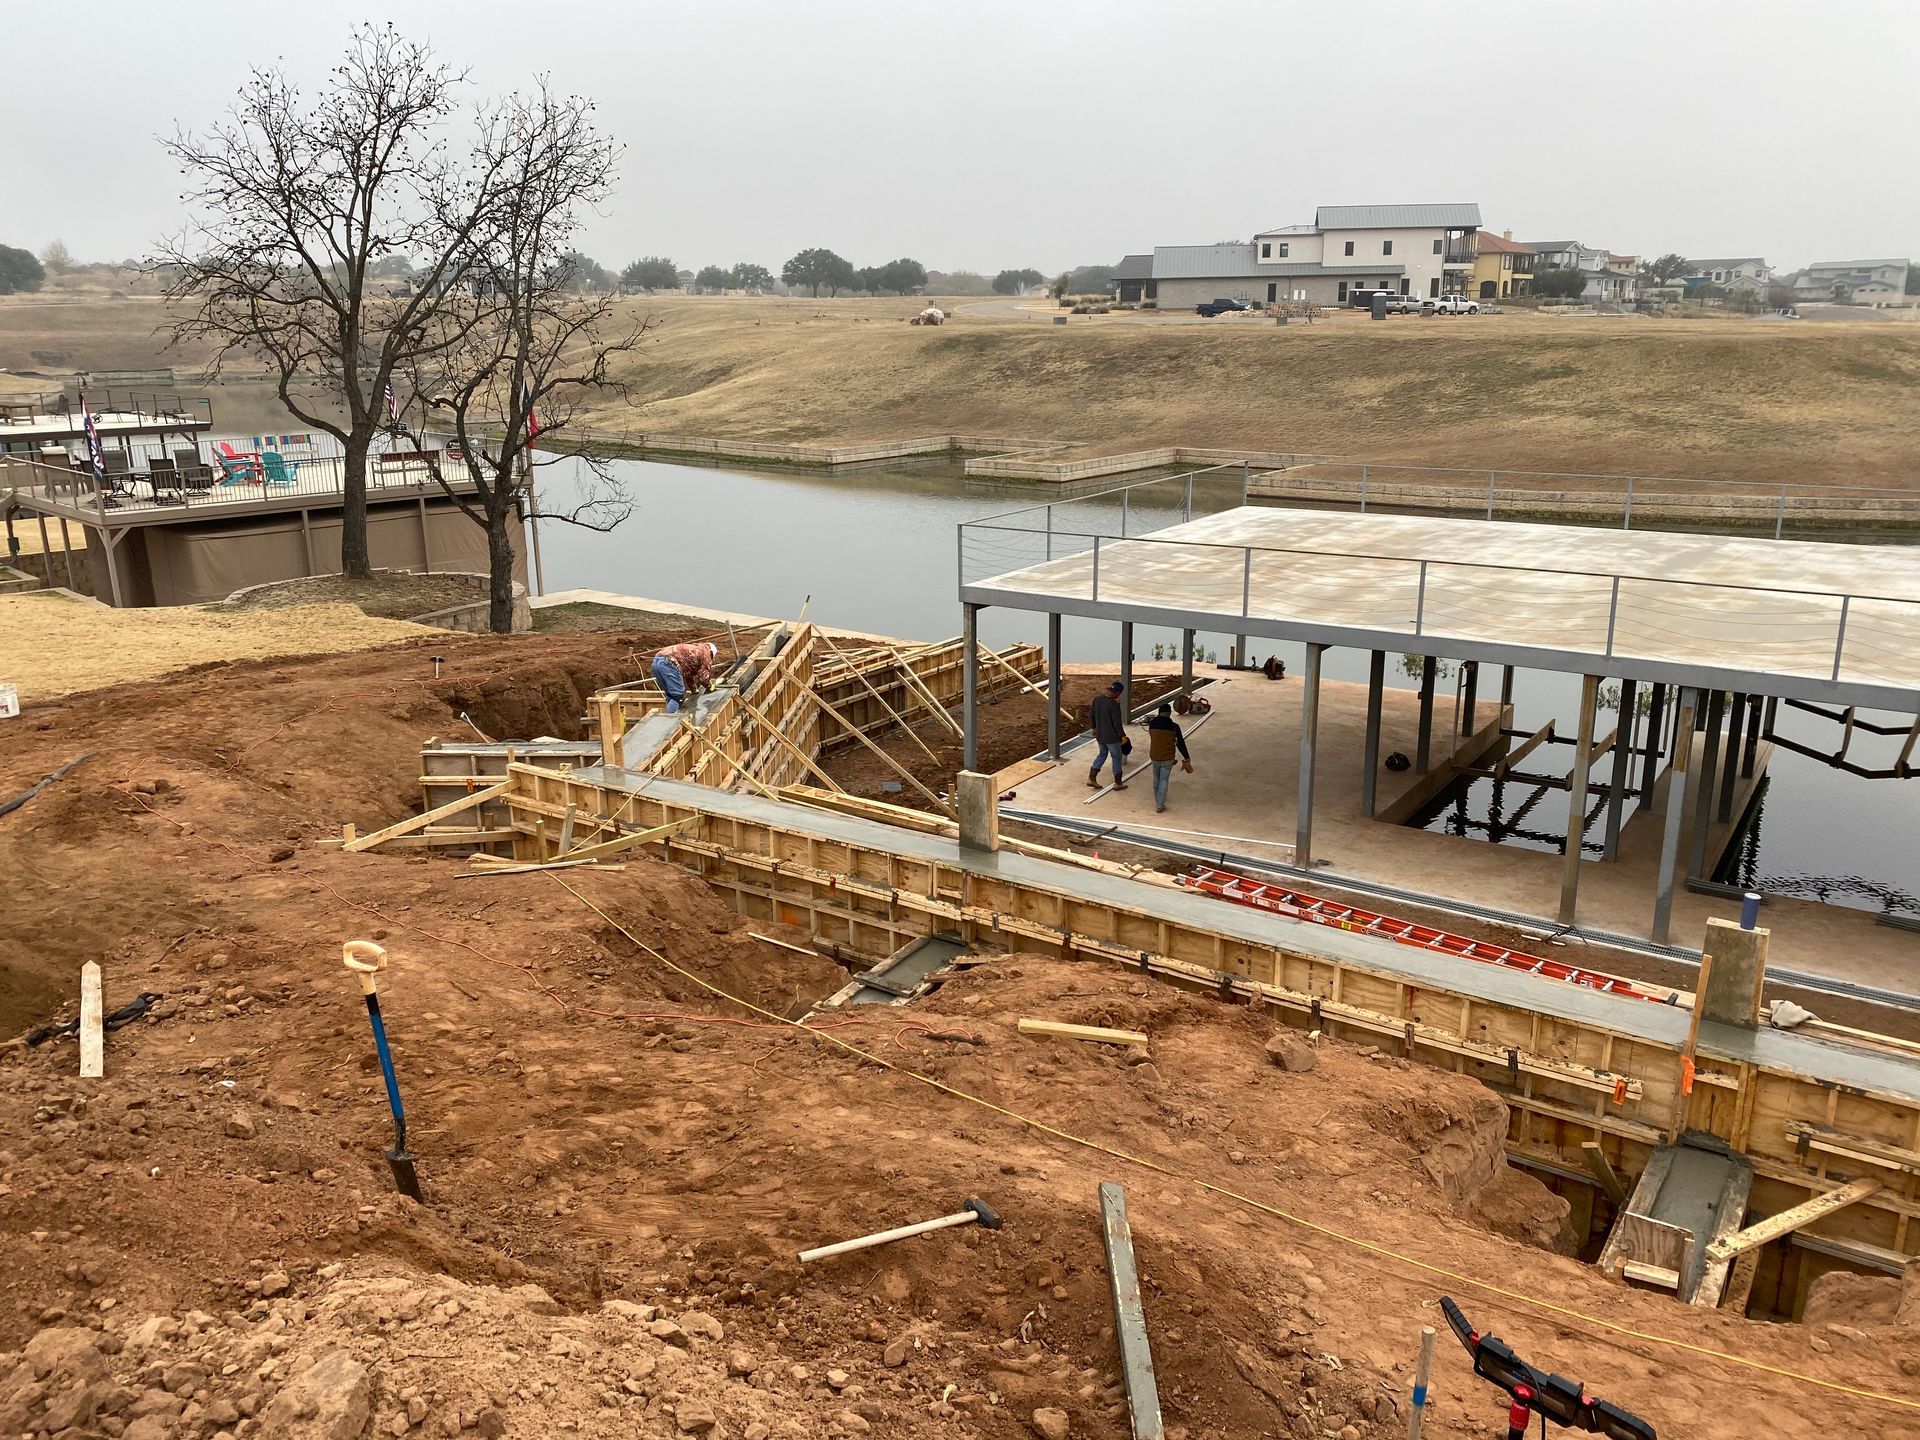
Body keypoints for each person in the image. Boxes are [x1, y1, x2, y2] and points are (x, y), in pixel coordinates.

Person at [1146, 701, 1194, 812]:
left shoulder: (1152, 724)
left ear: (1159, 713)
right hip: (1168, 757)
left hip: (1154, 755)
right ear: (1169, 714)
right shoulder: (1174, 727)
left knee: (1156, 778)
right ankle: (1160, 805)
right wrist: (1186, 757)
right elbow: (1180, 743)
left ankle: (1158, 799)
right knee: (1164, 780)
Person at [652, 641, 719, 714]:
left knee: (671, 695)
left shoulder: (695, 651)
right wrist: (710, 687)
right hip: (669, 663)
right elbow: (703, 677)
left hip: (656, 662)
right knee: (678, 696)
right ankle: (670, 719)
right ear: (712, 652)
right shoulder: (706, 652)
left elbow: (688, 675)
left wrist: (694, 690)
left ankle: (669, 715)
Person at [1087, 680, 1129, 790]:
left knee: (1102, 754)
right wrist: (1122, 735)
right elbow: (1117, 723)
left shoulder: (1097, 700)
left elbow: (1091, 714)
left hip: (1100, 735)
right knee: (1117, 757)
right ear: (1118, 693)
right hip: (1112, 737)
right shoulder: (1113, 705)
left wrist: (1094, 727)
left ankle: (1092, 778)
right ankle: (1118, 783)